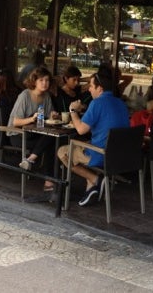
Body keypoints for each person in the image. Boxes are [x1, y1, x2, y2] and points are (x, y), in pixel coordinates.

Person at [56, 69, 130, 207]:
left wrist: (73, 111)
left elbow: (80, 130)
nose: (89, 89)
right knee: (83, 144)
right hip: (120, 155)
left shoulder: (97, 103)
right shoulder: (120, 103)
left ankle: (95, 179)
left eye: (91, 86)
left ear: (99, 88)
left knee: (63, 152)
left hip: (101, 154)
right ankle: (90, 190)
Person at [7, 65, 58, 193]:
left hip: (36, 134)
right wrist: (31, 119)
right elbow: (15, 122)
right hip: (18, 135)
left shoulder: (46, 96)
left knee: (53, 140)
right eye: (41, 80)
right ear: (34, 81)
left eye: (47, 80)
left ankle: (30, 160)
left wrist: (53, 115)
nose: (45, 83)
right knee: (50, 141)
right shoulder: (25, 95)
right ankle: (48, 180)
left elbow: (48, 117)